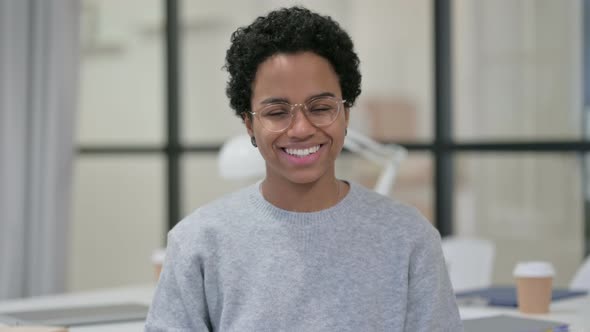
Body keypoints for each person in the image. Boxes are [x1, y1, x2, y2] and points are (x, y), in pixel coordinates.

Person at [145, 6, 462, 332]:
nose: (300, 129)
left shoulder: (408, 236)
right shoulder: (198, 242)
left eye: (321, 107)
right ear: (249, 124)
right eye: (277, 112)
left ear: (346, 114)